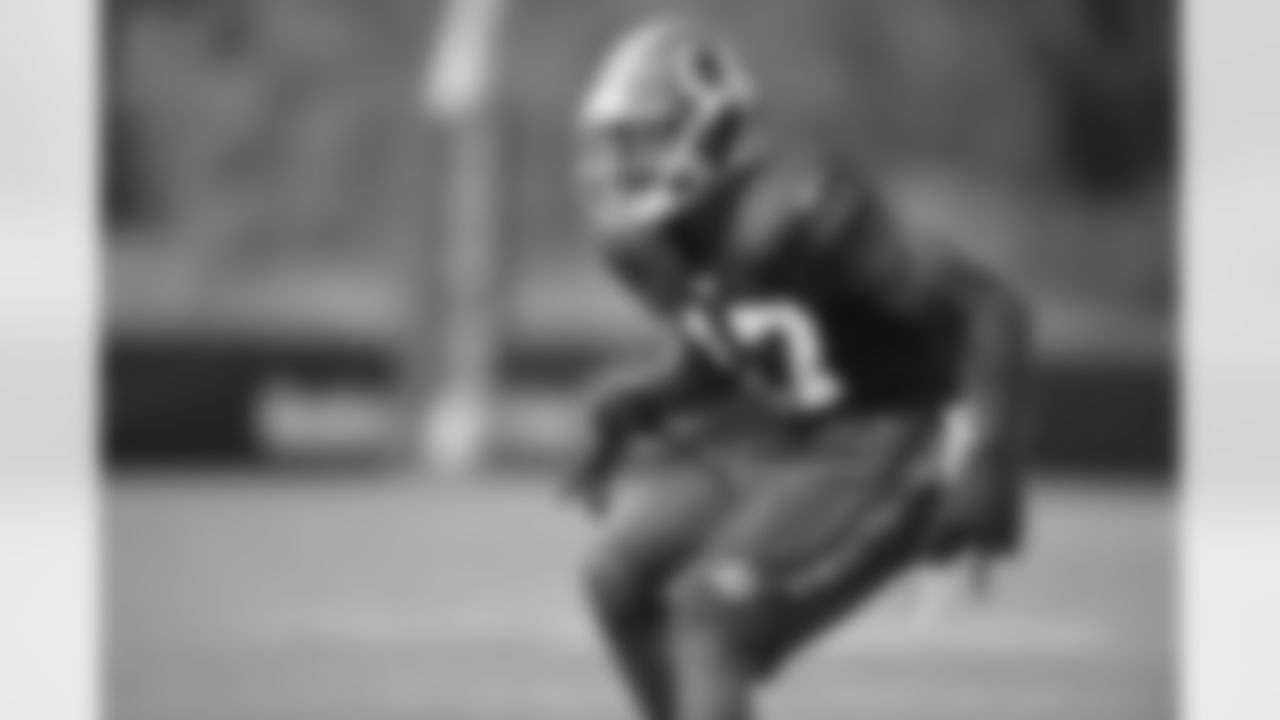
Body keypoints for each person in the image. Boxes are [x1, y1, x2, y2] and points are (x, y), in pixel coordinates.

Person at [562, 18, 1033, 720]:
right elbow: (743, 345)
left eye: (646, 138)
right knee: (616, 576)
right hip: (789, 438)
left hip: (892, 438)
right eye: (615, 144)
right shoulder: (644, 245)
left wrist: (990, 458)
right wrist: (651, 397)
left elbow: (988, 306)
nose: (622, 165)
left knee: (710, 620)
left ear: (713, 126)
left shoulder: (801, 207)